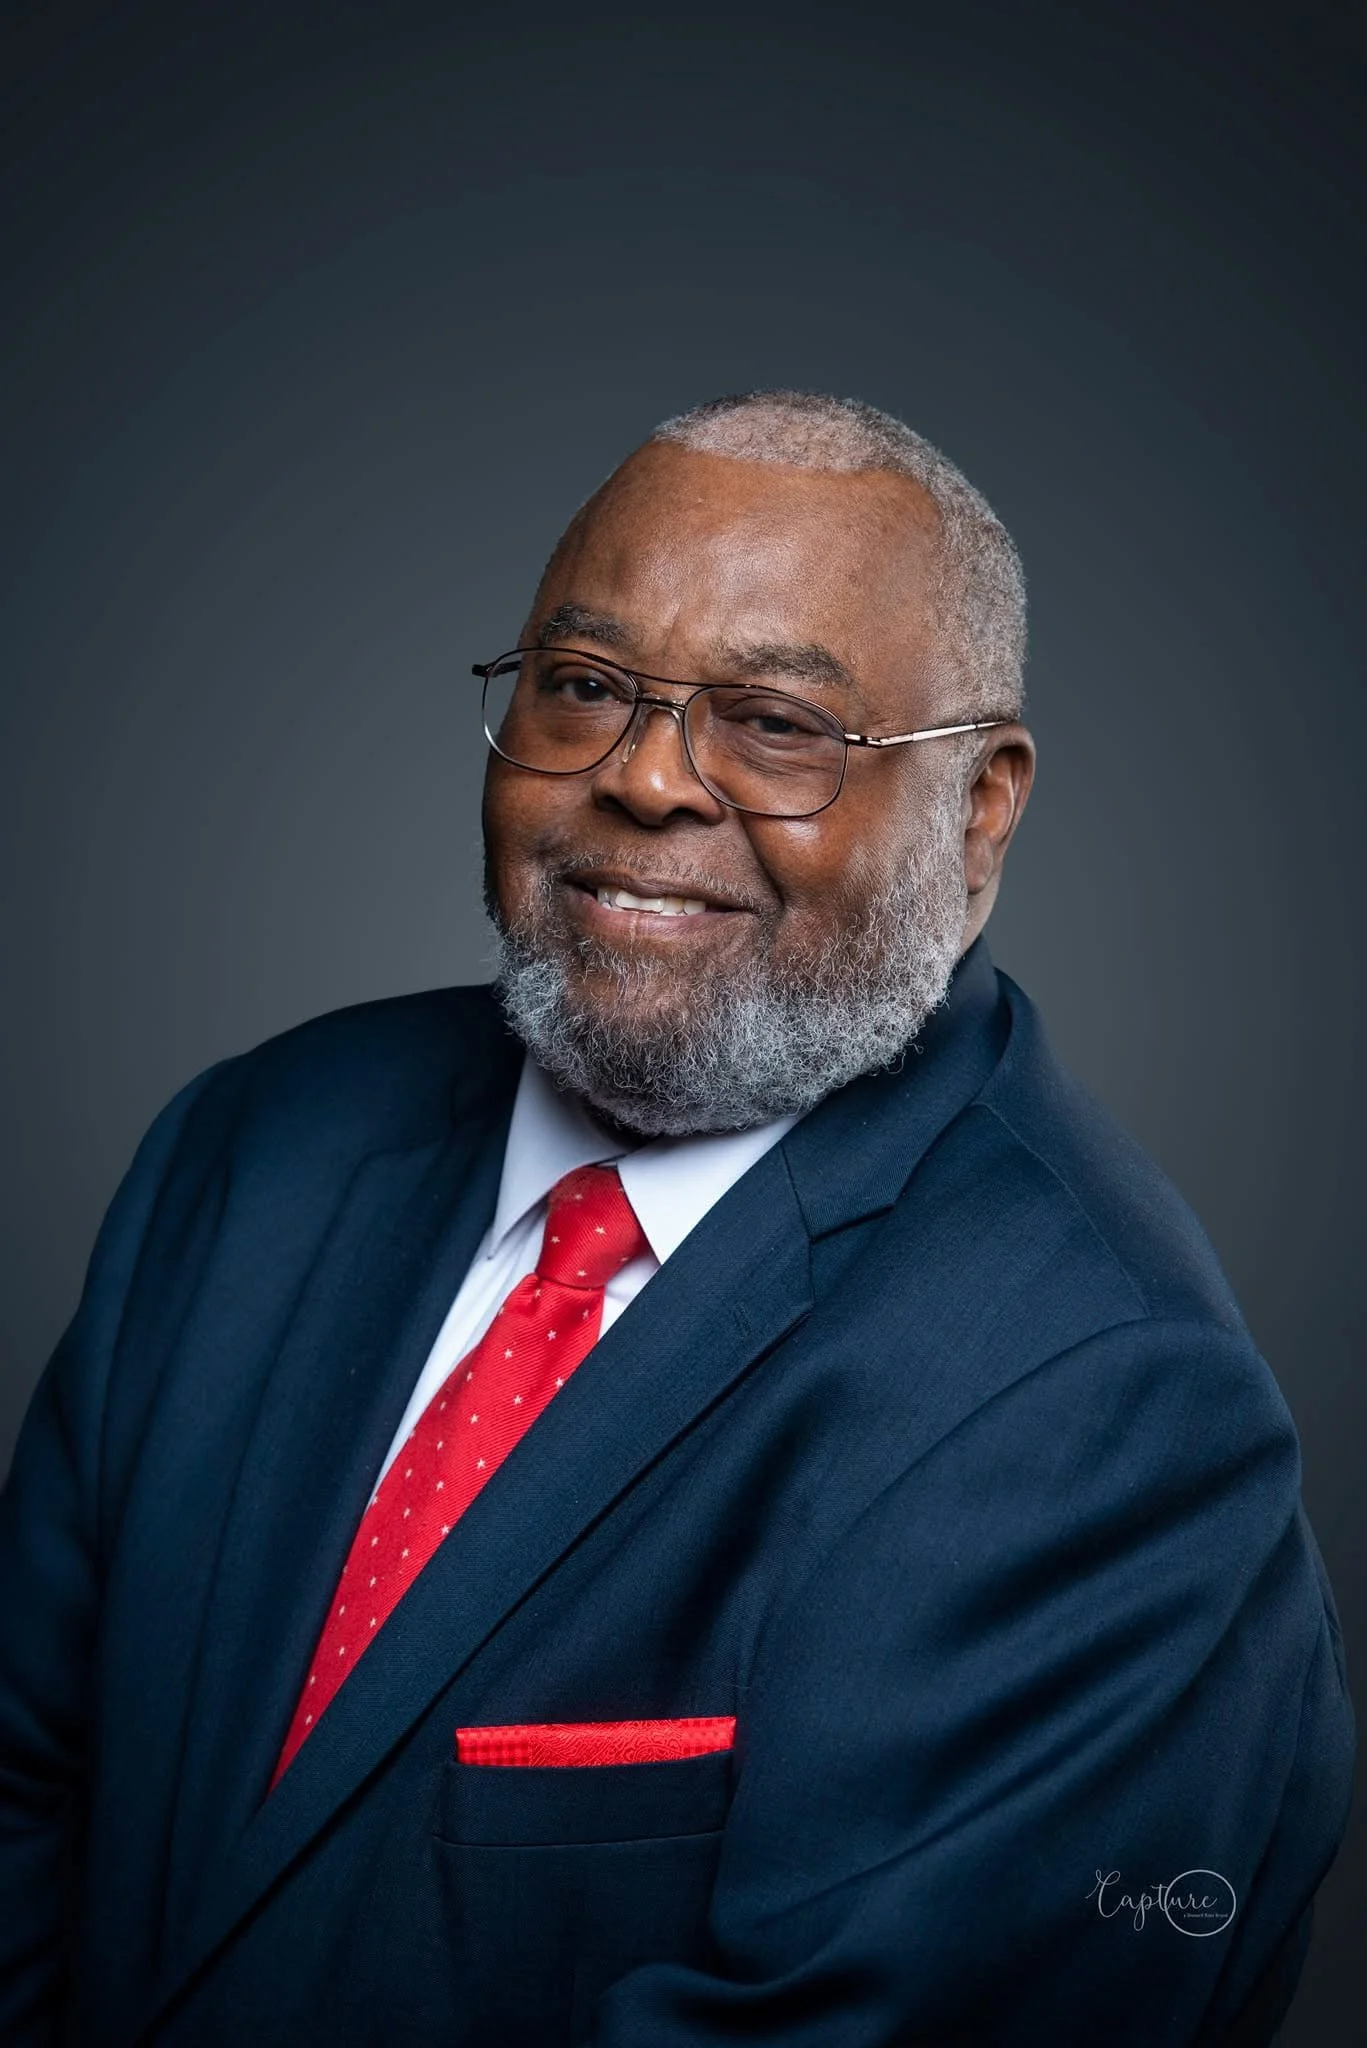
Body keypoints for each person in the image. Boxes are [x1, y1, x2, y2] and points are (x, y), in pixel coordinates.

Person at [0, 390, 1352, 2047]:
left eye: (776, 722)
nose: (641, 778)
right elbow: (22, 1791)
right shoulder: (252, 1151)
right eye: (582, 688)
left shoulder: (1107, 1414)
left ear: (980, 807)